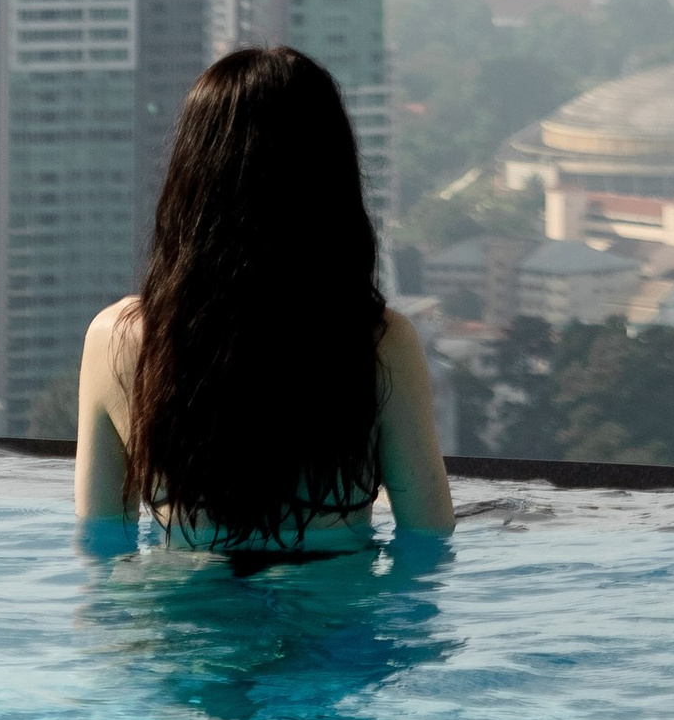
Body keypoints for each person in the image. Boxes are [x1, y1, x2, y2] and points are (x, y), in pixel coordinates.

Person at [74, 43, 456, 547]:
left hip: (174, 618)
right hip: (326, 620)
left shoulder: (118, 340)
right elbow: (428, 536)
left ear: (190, 177)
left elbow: (100, 541)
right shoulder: (378, 344)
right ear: (330, 182)